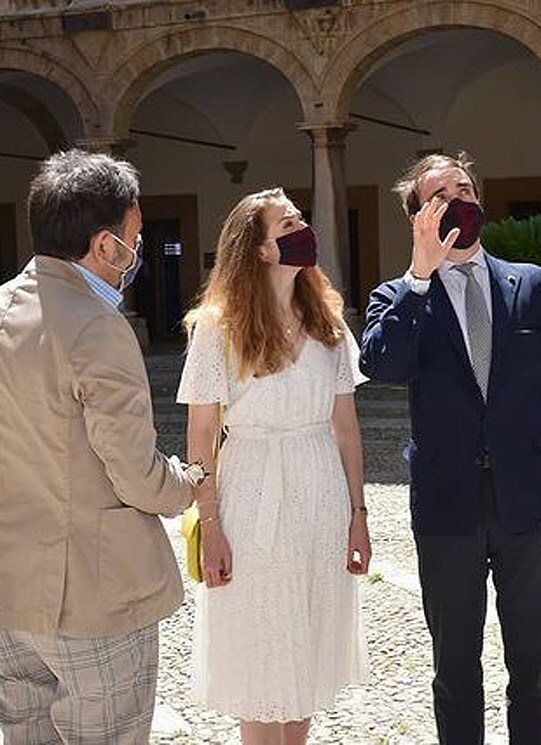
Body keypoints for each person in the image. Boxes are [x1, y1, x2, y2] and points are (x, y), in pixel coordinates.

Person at [359, 151, 541, 745]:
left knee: (533, 667)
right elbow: (382, 363)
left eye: (466, 187)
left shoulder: (533, 284)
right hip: (447, 505)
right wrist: (419, 277)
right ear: (419, 217)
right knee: (455, 669)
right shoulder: (398, 296)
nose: (460, 198)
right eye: (442, 193)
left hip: (529, 503)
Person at [0, 149, 194, 744]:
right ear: (106, 245)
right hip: (94, 595)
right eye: (135, 237)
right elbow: (134, 473)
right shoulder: (97, 324)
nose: (135, 254)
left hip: (12, 591)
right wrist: (187, 482)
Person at [176, 187, 371, 745]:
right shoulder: (218, 327)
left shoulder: (327, 320)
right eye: (288, 225)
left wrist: (358, 515)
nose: (302, 230)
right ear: (260, 250)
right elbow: (201, 436)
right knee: (262, 656)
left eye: (300, 220)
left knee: (306, 656)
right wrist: (209, 525)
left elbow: (347, 427)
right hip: (250, 493)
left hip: (321, 498)